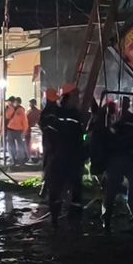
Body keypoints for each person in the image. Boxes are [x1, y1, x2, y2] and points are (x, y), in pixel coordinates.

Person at [42, 85, 85, 225]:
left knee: (76, 191)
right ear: (66, 97)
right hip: (59, 159)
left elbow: (80, 137)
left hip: (72, 159)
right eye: (75, 96)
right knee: (56, 190)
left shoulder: (76, 115)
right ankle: (55, 219)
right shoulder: (54, 113)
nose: (77, 99)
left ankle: (74, 220)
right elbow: (49, 134)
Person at [104, 96, 133, 227]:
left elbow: (113, 132)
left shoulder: (125, 119)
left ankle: (107, 216)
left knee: (112, 188)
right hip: (129, 157)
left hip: (119, 156)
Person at [4, 96, 28, 165]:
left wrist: (24, 131)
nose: (10, 103)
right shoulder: (9, 109)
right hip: (10, 130)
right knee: (11, 146)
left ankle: (21, 160)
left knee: (20, 145)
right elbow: (7, 116)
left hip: (19, 130)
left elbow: (24, 121)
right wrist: (10, 108)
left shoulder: (20, 110)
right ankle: (13, 160)